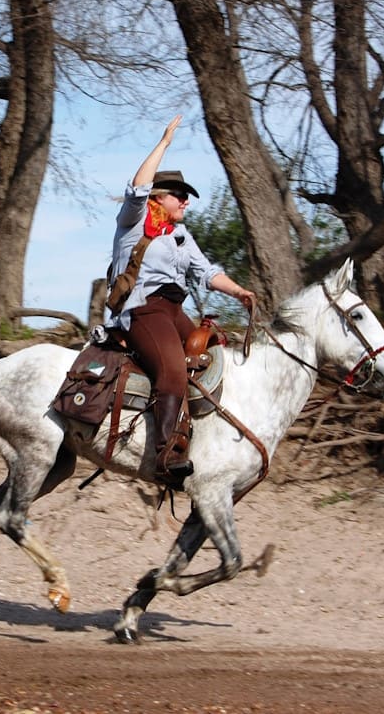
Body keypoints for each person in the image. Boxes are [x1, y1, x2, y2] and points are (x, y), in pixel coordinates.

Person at [105, 115, 256, 488]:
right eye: (179, 195)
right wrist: (164, 143)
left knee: (214, 353)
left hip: (174, 311)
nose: (186, 201)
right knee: (173, 370)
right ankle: (167, 454)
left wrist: (238, 291)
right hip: (142, 310)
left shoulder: (181, 236)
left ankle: (212, 444)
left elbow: (207, 272)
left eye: (187, 196)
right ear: (160, 198)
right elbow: (138, 185)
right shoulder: (134, 221)